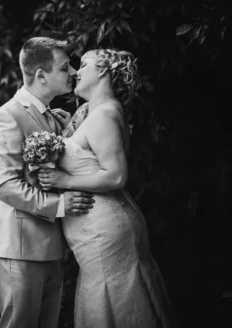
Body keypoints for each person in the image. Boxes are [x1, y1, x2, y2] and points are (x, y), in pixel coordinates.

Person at [38, 49, 177, 327]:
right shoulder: (93, 112)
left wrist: (65, 182)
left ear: (103, 71)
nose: (76, 72)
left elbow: (115, 177)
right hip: (94, 231)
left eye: (84, 65)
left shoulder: (104, 114)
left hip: (106, 229)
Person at [0, 37, 96, 328]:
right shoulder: (6, 117)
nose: (73, 72)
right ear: (41, 75)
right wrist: (59, 205)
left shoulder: (56, 119)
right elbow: (3, 184)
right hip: (18, 245)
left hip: (51, 246)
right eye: (64, 67)